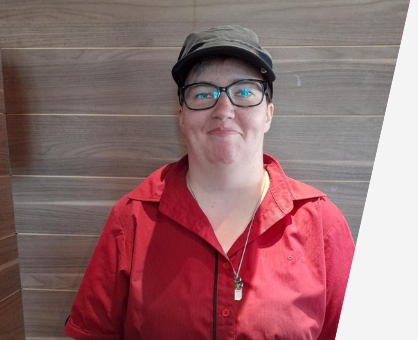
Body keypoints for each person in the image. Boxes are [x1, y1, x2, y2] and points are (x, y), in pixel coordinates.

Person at [64, 25, 355, 339]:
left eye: (244, 91)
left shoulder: (323, 224)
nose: (224, 109)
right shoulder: (131, 220)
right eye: (203, 93)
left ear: (268, 114)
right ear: (181, 115)